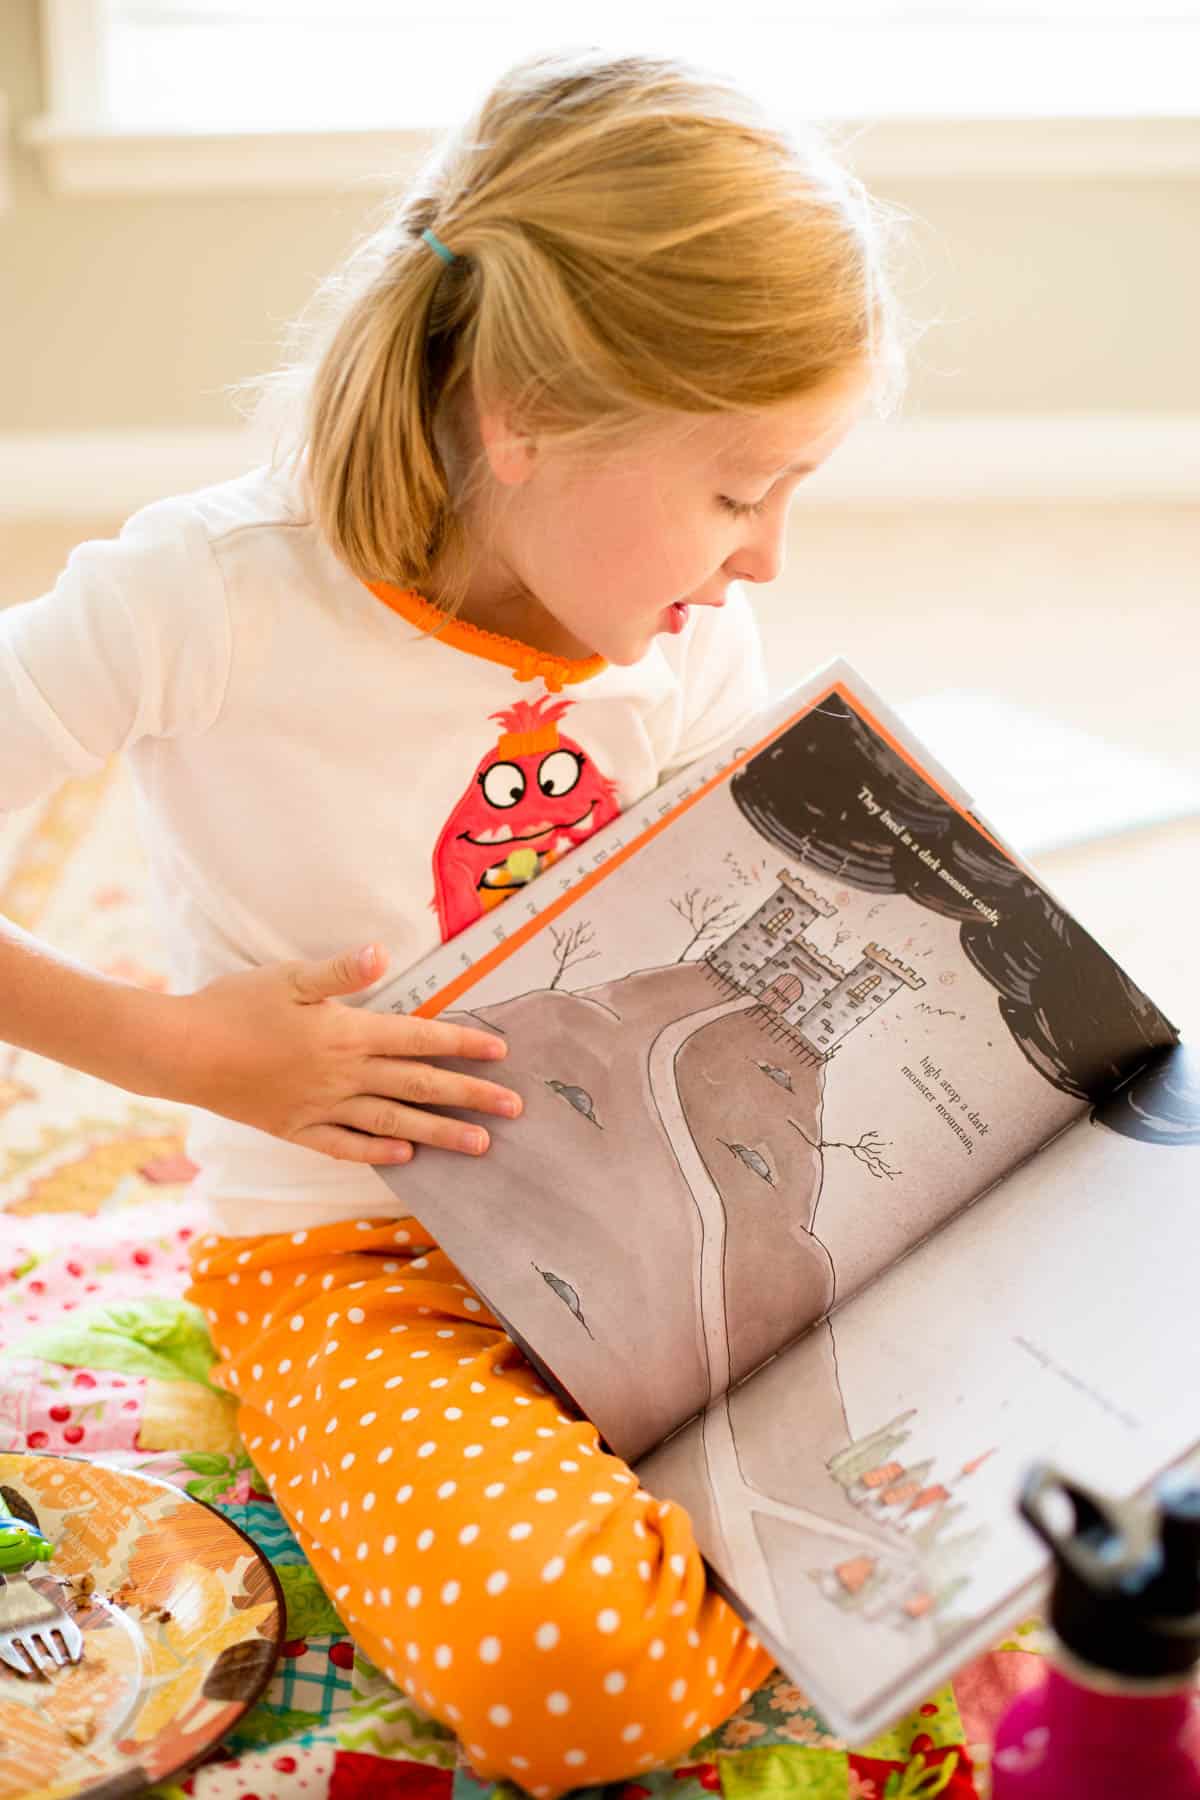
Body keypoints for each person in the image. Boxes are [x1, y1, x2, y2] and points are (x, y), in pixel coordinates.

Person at [0, 47, 914, 1795]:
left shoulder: (682, 639)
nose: (767, 562)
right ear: (530, 422)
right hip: (362, 1266)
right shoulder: (202, 599)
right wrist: (181, 1051)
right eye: (738, 493)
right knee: (577, 1684)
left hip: (681, 1234)